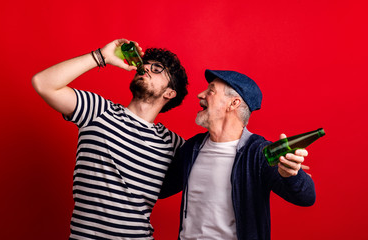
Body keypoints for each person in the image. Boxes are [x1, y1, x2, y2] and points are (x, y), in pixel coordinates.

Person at [32, 39, 188, 239]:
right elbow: (43, 83)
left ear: (169, 93)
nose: (146, 67)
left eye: (157, 68)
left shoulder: (172, 144)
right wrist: (101, 57)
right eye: (146, 63)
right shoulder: (98, 111)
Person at [159, 69, 316, 240]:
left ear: (233, 103)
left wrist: (292, 175)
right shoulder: (192, 147)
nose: (200, 94)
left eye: (210, 90)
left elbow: (307, 197)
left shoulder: (259, 153)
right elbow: (159, 188)